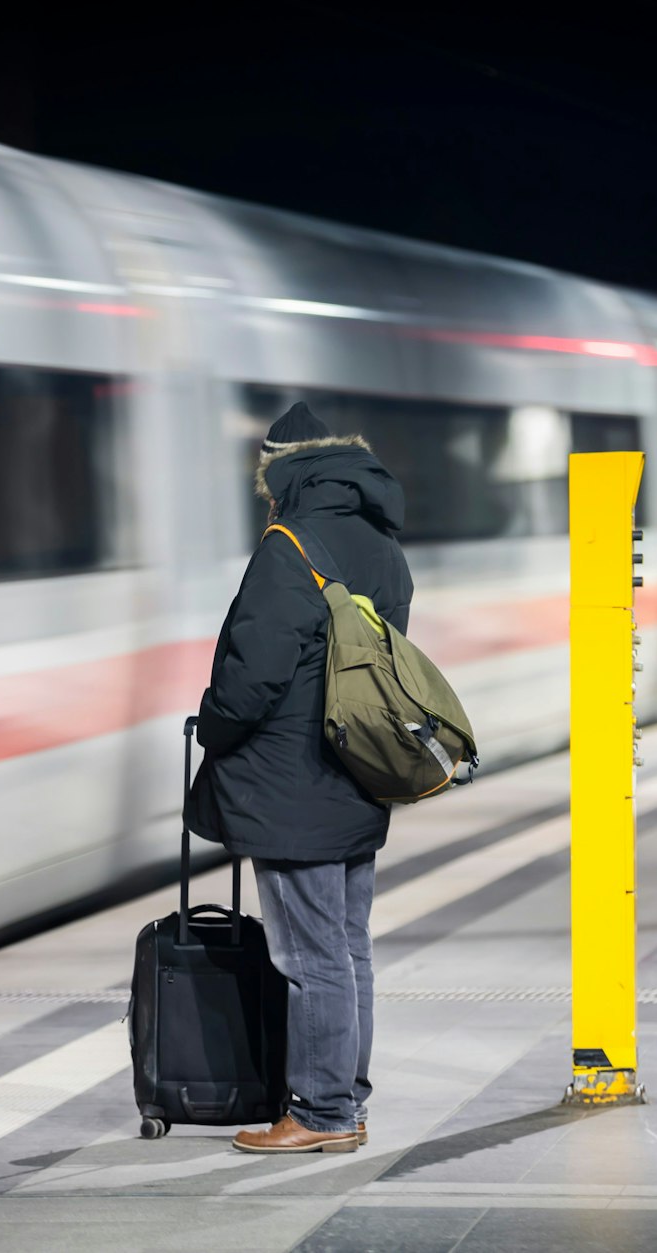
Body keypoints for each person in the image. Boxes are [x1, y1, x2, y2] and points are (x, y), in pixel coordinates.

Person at [185, 401, 413, 1154]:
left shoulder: (289, 544)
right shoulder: (384, 544)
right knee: (348, 948)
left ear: (280, 470)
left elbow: (252, 679)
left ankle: (320, 1113)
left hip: (290, 785)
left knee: (311, 956)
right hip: (357, 770)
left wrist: (211, 726)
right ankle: (346, 1098)